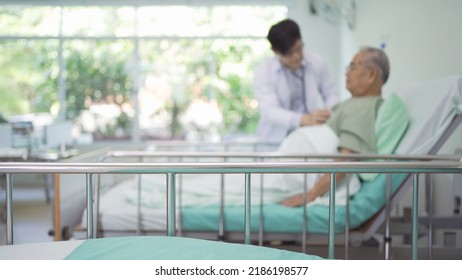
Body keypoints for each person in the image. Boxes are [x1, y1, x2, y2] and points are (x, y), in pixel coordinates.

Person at [280, 46, 390, 207]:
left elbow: (346, 159)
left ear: (371, 75)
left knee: (232, 184)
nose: (346, 73)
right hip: (288, 166)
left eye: (352, 67)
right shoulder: (353, 104)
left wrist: (311, 195)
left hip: (290, 174)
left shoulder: (363, 107)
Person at [253, 19, 339, 147]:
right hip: (275, 141)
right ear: (275, 51)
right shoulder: (264, 71)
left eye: (299, 49)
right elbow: (270, 111)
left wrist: (327, 113)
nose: (296, 56)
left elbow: (331, 92)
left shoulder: (316, 62)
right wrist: (304, 119)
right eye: (289, 53)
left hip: (309, 136)